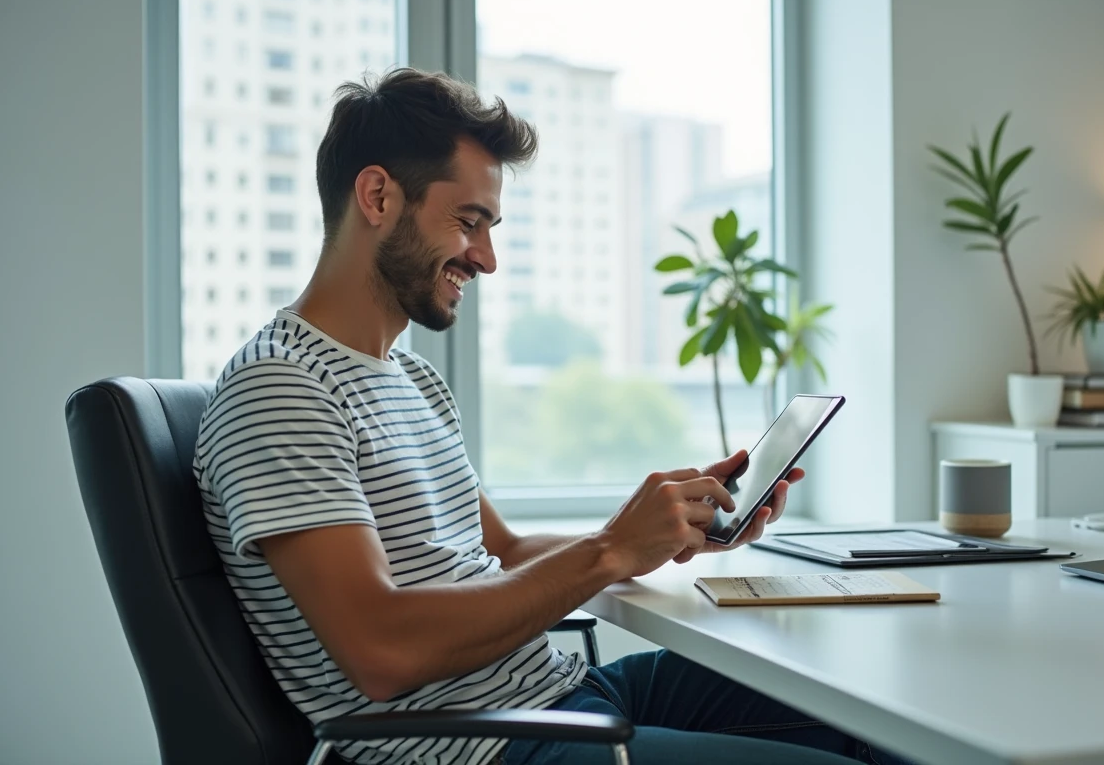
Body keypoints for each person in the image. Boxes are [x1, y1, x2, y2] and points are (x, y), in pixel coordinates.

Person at [193, 68, 906, 765]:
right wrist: (609, 553)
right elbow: (382, 652)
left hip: (554, 696)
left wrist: (652, 533)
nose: (488, 258)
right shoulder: (281, 388)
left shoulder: (411, 380)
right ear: (378, 195)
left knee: (865, 707)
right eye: (468, 222)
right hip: (482, 745)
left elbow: (501, 555)